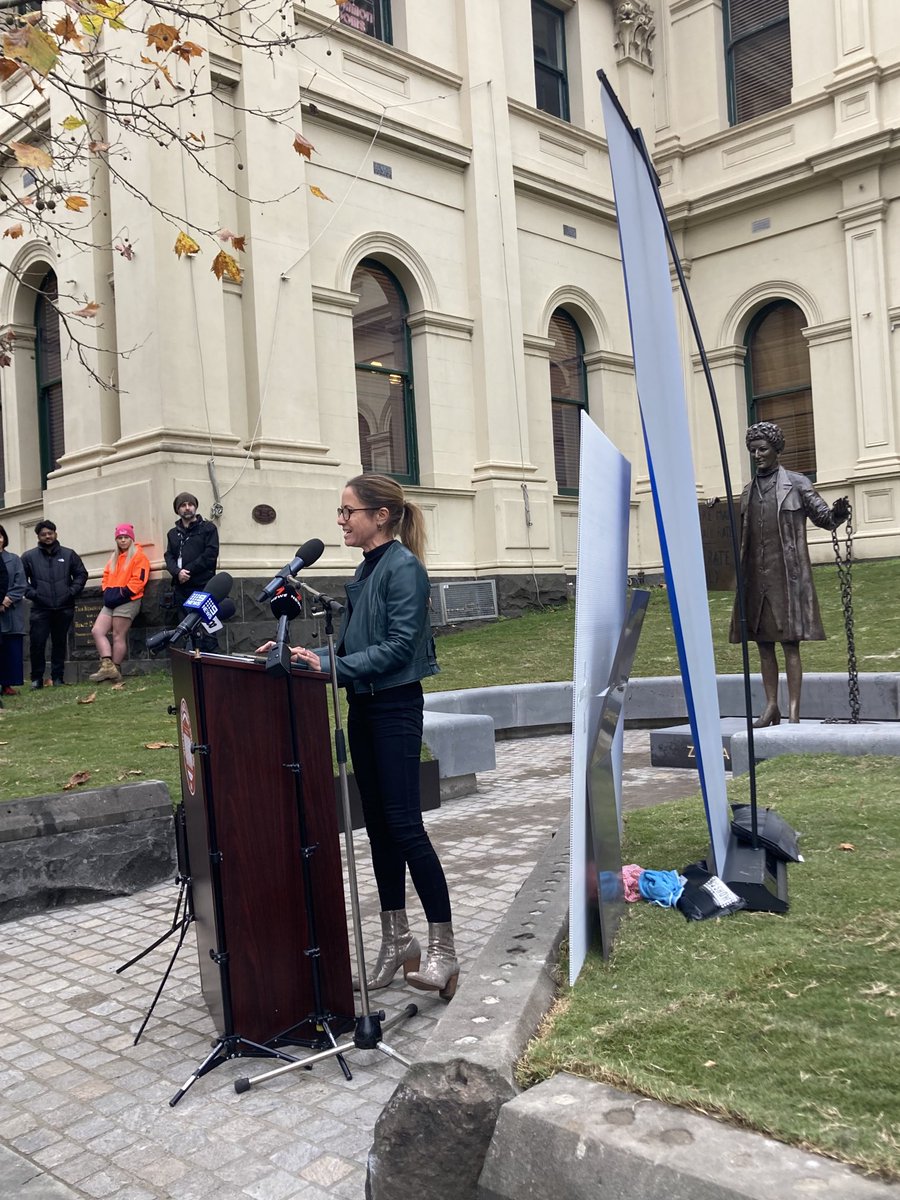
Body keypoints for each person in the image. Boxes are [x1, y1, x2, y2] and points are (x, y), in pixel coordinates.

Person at [257, 474, 458, 999]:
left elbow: (396, 648)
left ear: (381, 516)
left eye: (349, 511)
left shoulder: (404, 569)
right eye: (341, 512)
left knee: (406, 827)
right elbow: (353, 647)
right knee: (380, 832)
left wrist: (329, 666)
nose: (341, 521)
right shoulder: (368, 570)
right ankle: (398, 941)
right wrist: (303, 657)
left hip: (394, 707)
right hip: (363, 707)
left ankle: (443, 950)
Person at [729, 422, 850, 726]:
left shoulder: (796, 483)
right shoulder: (747, 492)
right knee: (763, 644)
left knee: (790, 644)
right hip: (755, 578)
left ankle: (794, 710)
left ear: (777, 450)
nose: (757, 455)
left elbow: (823, 517)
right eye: (752, 450)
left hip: (787, 576)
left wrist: (837, 514)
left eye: (762, 449)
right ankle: (771, 706)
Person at [21, 519, 88, 689]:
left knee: (59, 643)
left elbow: (81, 574)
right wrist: (34, 595)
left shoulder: (68, 554)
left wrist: (71, 592)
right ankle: (36, 679)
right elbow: (21, 581)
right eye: (43, 534)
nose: (47, 536)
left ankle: (58, 677)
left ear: (55, 534)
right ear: (38, 537)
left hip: (64, 607)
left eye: (50, 533)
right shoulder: (29, 557)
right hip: (40, 608)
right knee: (37, 643)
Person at [89, 524, 151, 683]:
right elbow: (106, 575)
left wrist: (124, 592)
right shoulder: (114, 557)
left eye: (125, 537)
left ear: (131, 539)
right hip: (112, 599)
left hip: (129, 599)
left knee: (118, 635)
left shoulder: (139, 556)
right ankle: (107, 666)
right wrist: (107, 590)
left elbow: (140, 579)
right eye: (119, 538)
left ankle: (115, 670)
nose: (123, 540)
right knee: (97, 630)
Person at [164, 491, 220, 651]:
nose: (187, 508)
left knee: (208, 629)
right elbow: (169, 556)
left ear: (195, 507)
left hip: (203, 587)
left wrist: (187, 571)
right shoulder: (173, 534)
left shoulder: (208, 528)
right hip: (182, 589)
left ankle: (212, 663)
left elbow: (210, 555)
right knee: (187, 630)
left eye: (190, 504)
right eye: (183, 505)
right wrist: (177, 572)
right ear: (177, 510)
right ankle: (192, 666)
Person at [0, 524, 27, 696]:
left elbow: (21, 583)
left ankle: (7, 684)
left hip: (11, 611)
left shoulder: (14, 559)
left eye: (0, 536)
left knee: (11, 649)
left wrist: (6, 600)